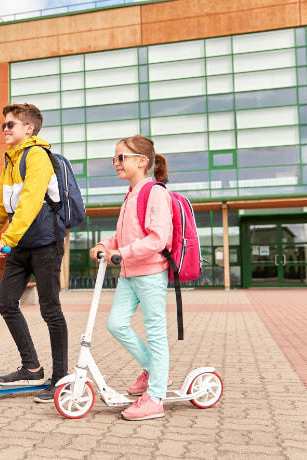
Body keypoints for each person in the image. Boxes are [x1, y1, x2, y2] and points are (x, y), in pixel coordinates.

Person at [0, 103, 68, 403]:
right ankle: (32, 367)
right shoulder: (10, 161)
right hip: (21, 245)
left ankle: (61, 378)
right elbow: (0, 207)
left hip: (46, 243)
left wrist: (7, 239)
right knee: (5, 300)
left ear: (29, 128)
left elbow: (31, 202)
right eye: (4, 125)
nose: (5, 130)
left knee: (50, 309)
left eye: (10, 125)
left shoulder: (37, 155)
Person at [89, 135, 172, 421]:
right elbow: (124, 235)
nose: (116, 163)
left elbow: (158, 239)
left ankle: (156, 397)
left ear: (141, 161)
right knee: (116, 324)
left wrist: (120, 253)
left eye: (121, 157)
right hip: (128, 273)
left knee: (156, 333)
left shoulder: (155, 193)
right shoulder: (130, 194)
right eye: (115, 158)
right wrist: (105, 244)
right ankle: (153, 370)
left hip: (150, 274)